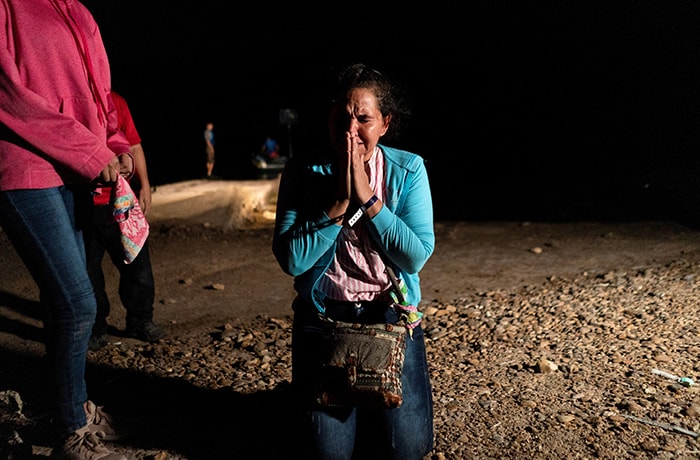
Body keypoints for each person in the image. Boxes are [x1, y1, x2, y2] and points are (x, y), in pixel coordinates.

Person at [272, 63, 435, 459]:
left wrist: (370, 199)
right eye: (341, 118)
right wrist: (342, 201)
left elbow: (414, 257)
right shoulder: (302, 170)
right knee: (328, 454)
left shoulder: (408, 169)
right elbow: (292, 260)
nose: (351, 130)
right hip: (324, 317)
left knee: (408, 449)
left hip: (388, 315)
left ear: (385, 124)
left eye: (364, 118)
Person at [0, 1, 137, 459]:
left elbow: (99, 94)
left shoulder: (77, 9)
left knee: (65, 304)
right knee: (77, 302)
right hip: (24, 166)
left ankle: (67, 407)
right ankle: (71, 428)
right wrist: (89, 150)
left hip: (74, 171)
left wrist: (114, 146)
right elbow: (7, 94)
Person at [85, 91, 166, 351]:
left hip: (122, 202)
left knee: (139, 266)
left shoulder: (117, 101)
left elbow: (134, 144)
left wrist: (145, 185)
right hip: (84, 203)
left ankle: (140, 320)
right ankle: (96, 326)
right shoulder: (74, 100)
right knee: (88, 270)